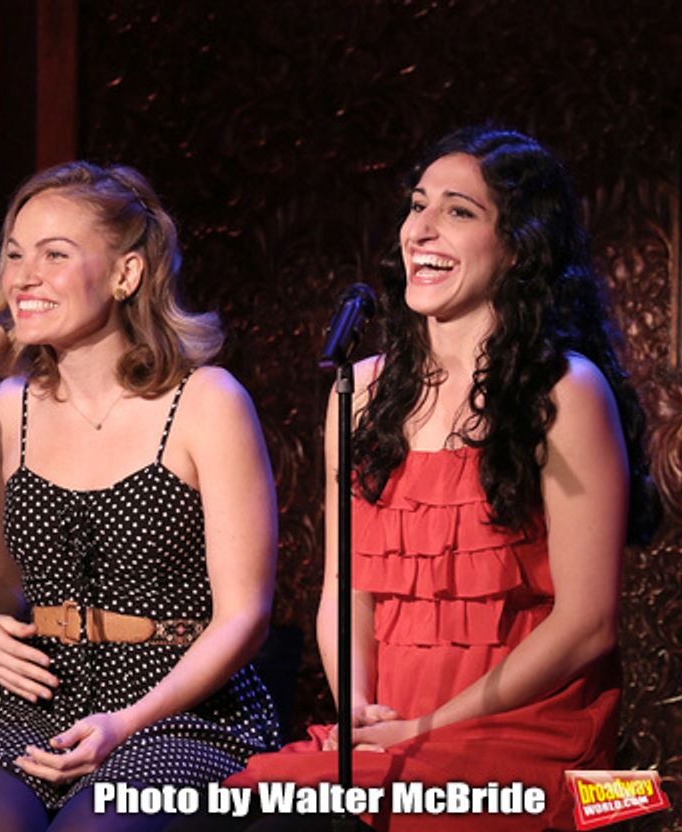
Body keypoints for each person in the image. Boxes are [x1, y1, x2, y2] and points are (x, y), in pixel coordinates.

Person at [198, 127, 660, 832]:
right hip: (388, 729)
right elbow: (343, 589)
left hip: (515, 731)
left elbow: (588, 624)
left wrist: (430, 725)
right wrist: (354, 705)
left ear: (519, 246)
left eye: (459, 211)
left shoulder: (565, 391)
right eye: (418, 205)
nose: (423, 228)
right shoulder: (360, 393)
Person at [0, 161, 282, 832]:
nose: (22, 277)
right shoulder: (10, 408)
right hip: (41, 693)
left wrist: (124, 723)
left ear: (126, 274)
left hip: (177, 707)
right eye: (14, 254)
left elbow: (244, 618)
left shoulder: (206, 403)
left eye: (54, 255)